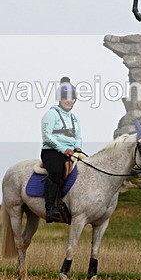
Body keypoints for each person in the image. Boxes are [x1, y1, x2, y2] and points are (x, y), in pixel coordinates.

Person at [40, 76, 82, 223]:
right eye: (65, 97)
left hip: (71, 152)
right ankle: (50, 208)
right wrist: (63, 148)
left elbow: (79, 136)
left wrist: (78, 148)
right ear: (60, 98)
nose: (69, 101)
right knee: (56, 172)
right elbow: (47, 136)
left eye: (71, 98)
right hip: (52, 151)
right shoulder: (51, 114)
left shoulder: (74, 118)